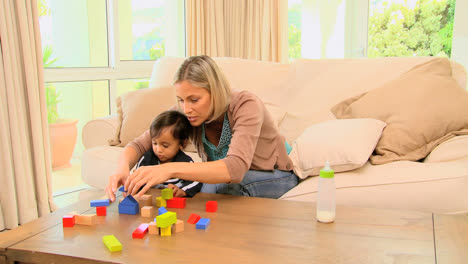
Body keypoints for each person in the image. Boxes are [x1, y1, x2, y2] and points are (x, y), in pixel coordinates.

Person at [106, 55, 298, 202]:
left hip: (275, 174)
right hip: (228, 181)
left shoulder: (246, 104)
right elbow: (140, 144)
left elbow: (235, 169)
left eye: (194, 100)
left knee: (219, 187)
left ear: (215, 91)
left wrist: (170, 170)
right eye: (181, 100)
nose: (187, 109)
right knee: (199, 192)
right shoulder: (186, 113)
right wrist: (122, 169)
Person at [134, 110, 202, 197]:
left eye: (165, 146)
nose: (158, 150)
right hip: (152, 202)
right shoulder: (147, 159)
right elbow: (138, 180)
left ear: (182, 145)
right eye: (154, 143)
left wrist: (182, 191)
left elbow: (196, 181)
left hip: (174, 204)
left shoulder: (185, 162)